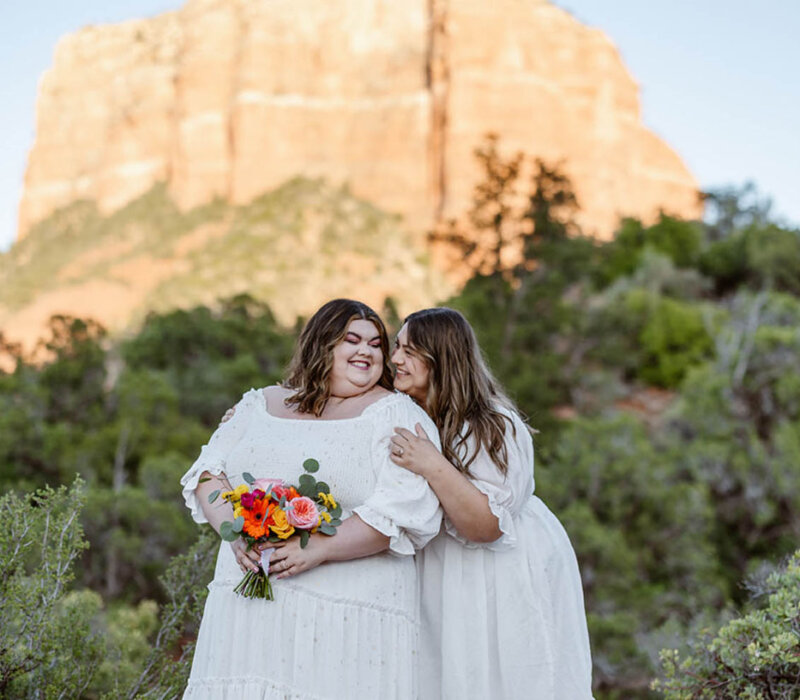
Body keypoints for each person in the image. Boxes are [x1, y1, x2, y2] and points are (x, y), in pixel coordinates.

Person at [180, 299, 442, 699]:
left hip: (347, 611)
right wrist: (235, 531)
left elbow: (403, 509)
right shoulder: (259, 404)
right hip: (249, 610)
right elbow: (207, 471)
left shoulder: (397, 415)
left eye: (376, 344)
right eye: (352, 340)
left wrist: (320, 548)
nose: (367, 351)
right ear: (322, 343)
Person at [388, 307, 593, 699]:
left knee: (505, 673)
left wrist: (432, 464)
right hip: (441, 568)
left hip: (502, 567)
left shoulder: (493, 424)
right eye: (397, 347)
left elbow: (486, 527)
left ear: (442, 359)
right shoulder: (405, 414)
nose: (395, 358)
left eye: (409, 351)